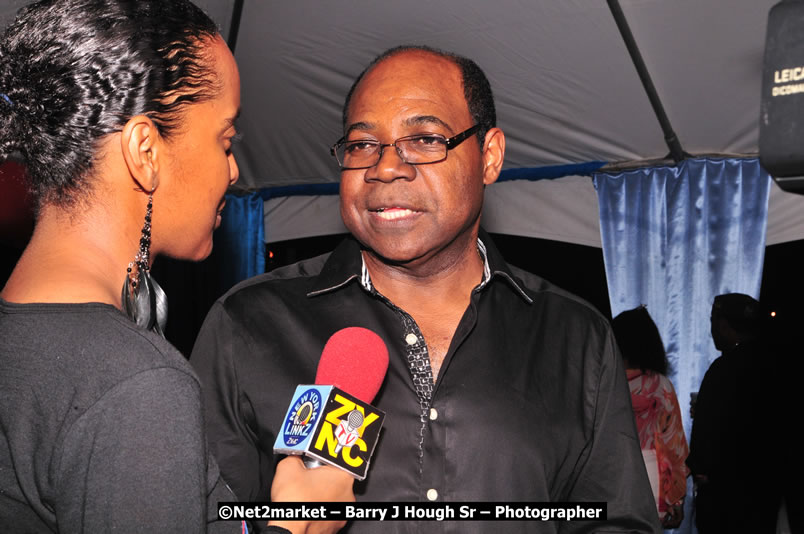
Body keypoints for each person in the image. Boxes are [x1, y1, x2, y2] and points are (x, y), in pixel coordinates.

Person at [191, 45, 661, 533]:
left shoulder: (576, 338)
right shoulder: (247, 325)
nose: (386, 167)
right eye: (361, 145)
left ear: (490, 156)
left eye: (424, 139)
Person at [0, 1, 352, 532]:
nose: (233, 171)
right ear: (145, 150)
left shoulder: (25, 340)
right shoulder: (137, 385)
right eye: (225, 140)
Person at [686, 293, 779, 533]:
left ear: (723, 324)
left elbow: (705, 436)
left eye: (713, 321)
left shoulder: (723, 369)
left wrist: (698, 468)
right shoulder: (776, 365)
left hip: (726, 497)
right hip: (766, 492)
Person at [611, 306, 690, 529]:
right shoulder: (660, 386)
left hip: (606, 474)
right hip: (649, 478)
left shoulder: (601, 384)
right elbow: (674, 446)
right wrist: (676, 499)